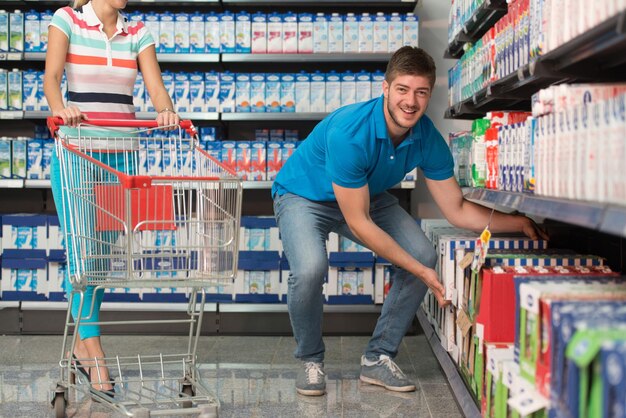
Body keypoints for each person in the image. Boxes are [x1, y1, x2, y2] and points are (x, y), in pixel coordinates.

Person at [272, 46, 547, 396]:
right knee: (310, 268)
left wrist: (517, 221)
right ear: (385, 89)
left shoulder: (426, 137)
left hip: (364, 195)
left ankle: (378, 357)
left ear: (430, 94)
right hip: (303, 196)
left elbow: (457, 209)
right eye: (402, 89)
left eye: (421, 92)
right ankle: (310, 360)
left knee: (424, 253)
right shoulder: (350, 132)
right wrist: (418, 272)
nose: (411, 101)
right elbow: (359, 224)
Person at [43, 0, 179, 395]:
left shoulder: (138, 33)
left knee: (100, 256)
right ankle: (96, 357)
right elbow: (52, 77)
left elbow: (156, 89)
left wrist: (165, 111)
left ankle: (77, 349)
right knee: (82, 254)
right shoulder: (67, 20)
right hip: (76, 154)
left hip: (121, 159)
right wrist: (60, 108)